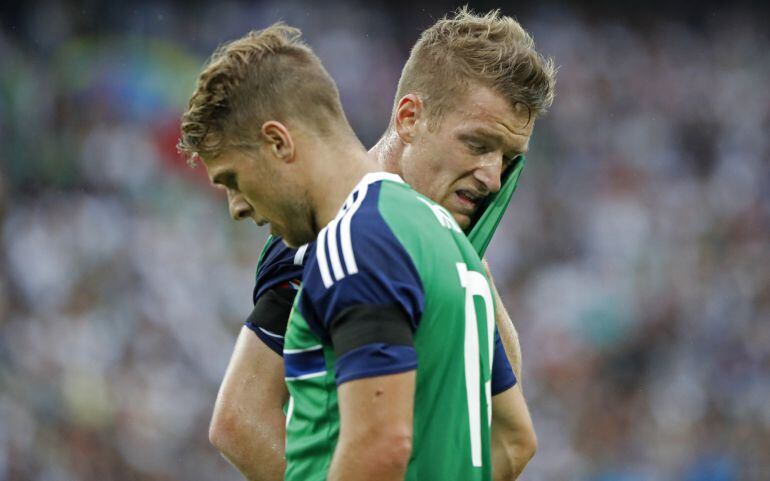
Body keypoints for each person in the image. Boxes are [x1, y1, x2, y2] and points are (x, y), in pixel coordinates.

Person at [196, 8, 555, 481]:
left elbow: (488, 426)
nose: (493, 177)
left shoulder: (445, 246)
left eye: (508, 159)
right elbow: (240, 420)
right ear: (409, 117)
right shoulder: (322, 235)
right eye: (477, 144)